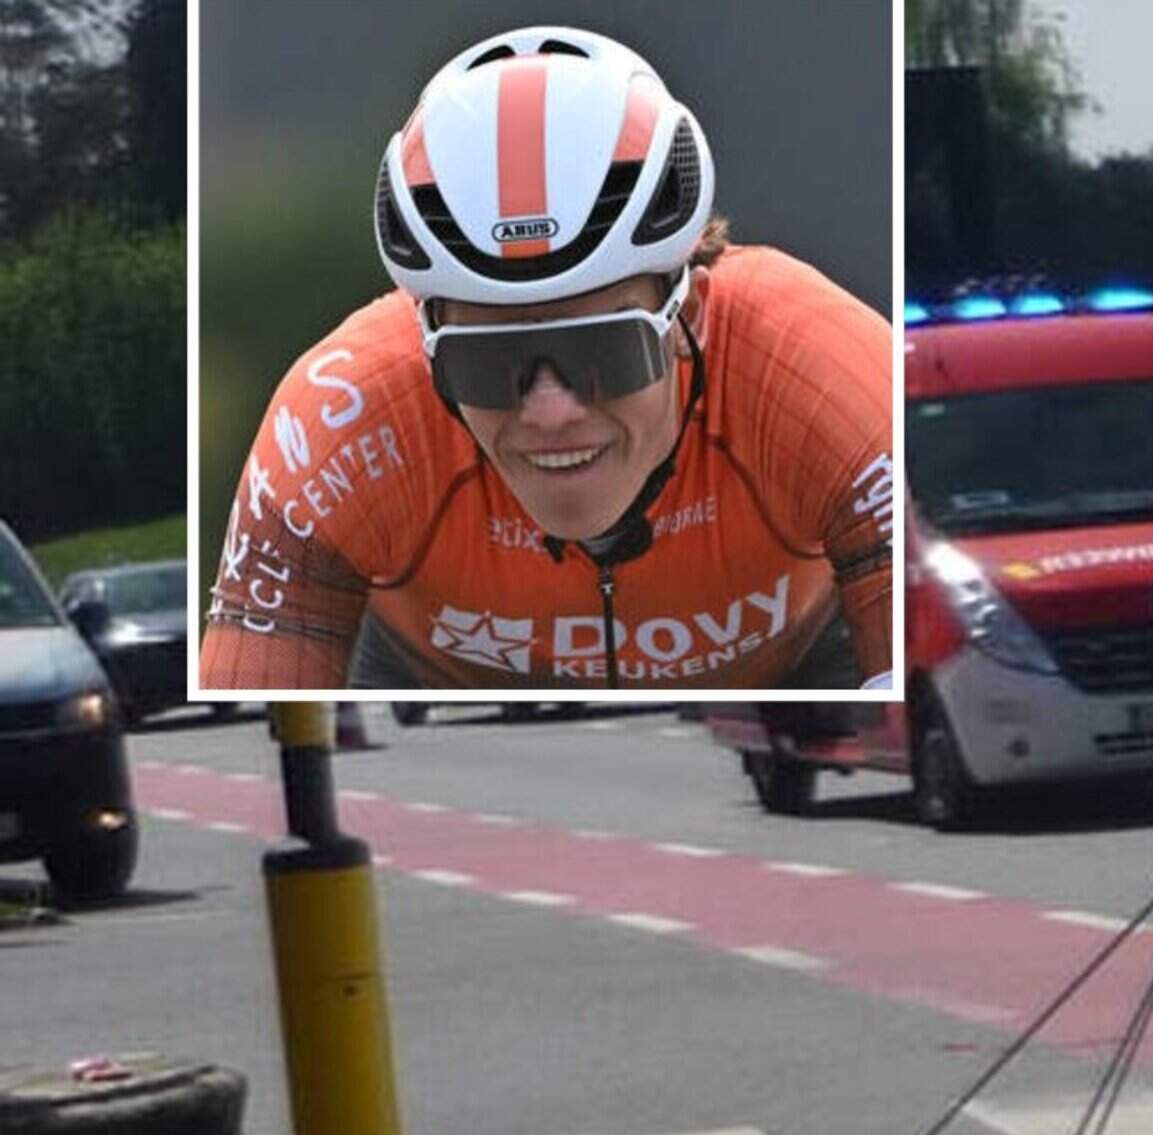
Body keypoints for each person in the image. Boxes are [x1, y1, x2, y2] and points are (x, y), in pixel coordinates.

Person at [203, 25, 895, 692]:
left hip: (796, 684)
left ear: (693, 313)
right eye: (485, 362)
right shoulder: (339, 421)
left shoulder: (820, 371)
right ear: (424, 342)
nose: (550, 410)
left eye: (602, 348)